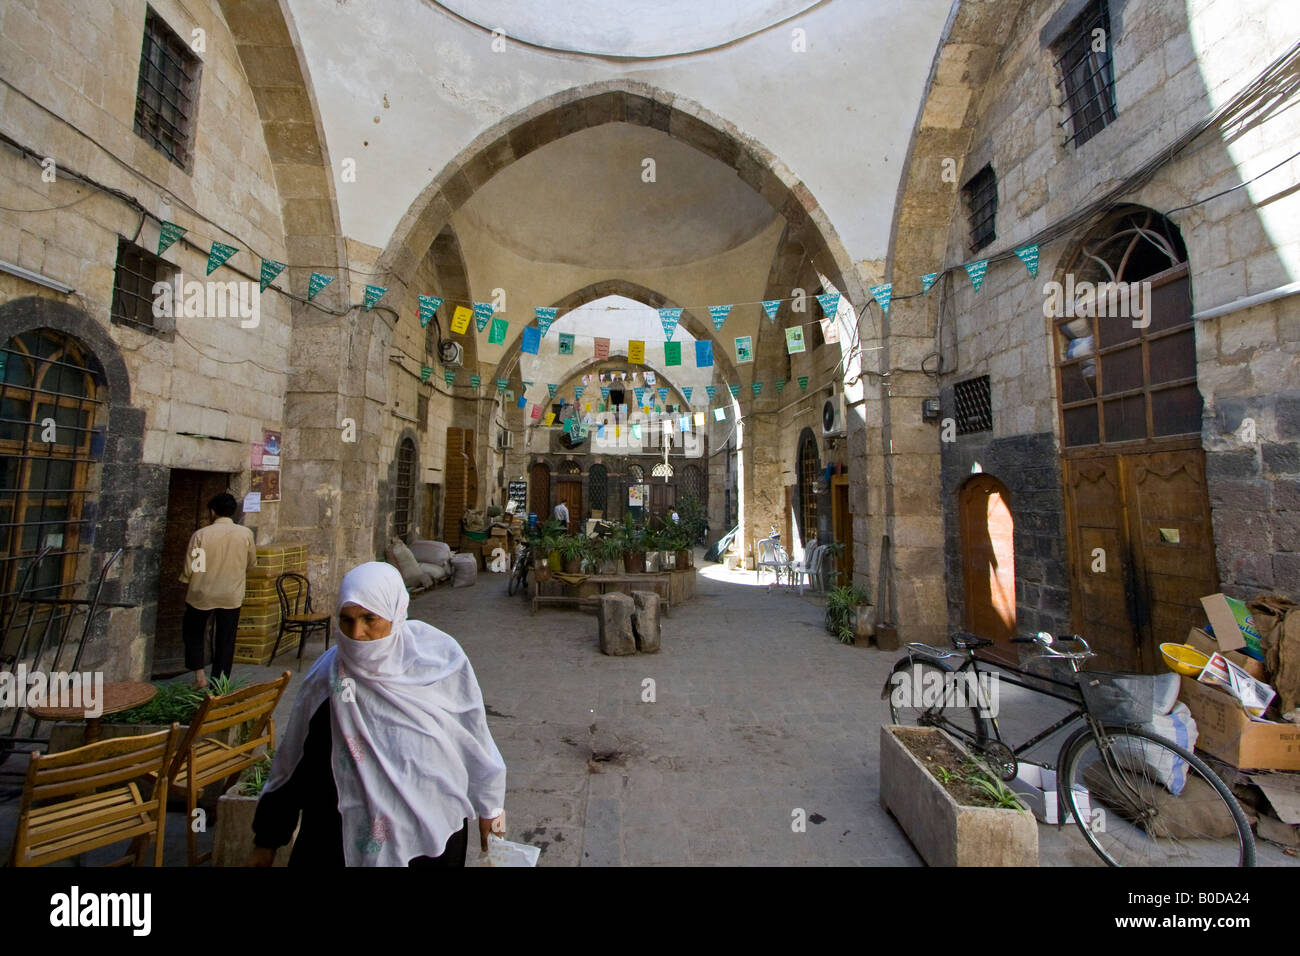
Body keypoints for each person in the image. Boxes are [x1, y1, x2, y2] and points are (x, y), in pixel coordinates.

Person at [249, 562, 507, 867]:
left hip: (430, 838)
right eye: (347, 620)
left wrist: (491, 807)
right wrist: (266, 840)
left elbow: (472, 734)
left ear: (396, 614)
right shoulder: (327, 679)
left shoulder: (438, 661)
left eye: (370, 619)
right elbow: (295, 763)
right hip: (339, 837)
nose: (357, 633)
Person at [179, 493, 257, 689]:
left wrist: (191, 578)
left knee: (193, 633)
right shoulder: (245, 534)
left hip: (202, 593)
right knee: (226, 639)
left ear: (212, 512)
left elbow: (194, 568)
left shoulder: (201, 535)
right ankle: (220, 683)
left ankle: (199, 676)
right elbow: (251, 563)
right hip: (231, 594)